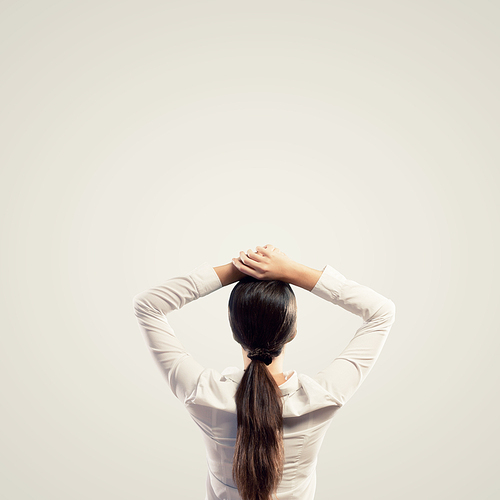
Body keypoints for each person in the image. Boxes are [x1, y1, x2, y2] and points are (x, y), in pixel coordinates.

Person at [133, 244, 396, 500]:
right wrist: (291, 271)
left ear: (235, 331)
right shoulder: (321, 397)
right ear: (292, 331)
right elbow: (381, 312)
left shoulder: (203, 393)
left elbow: (148, 306)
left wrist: (239, 268)